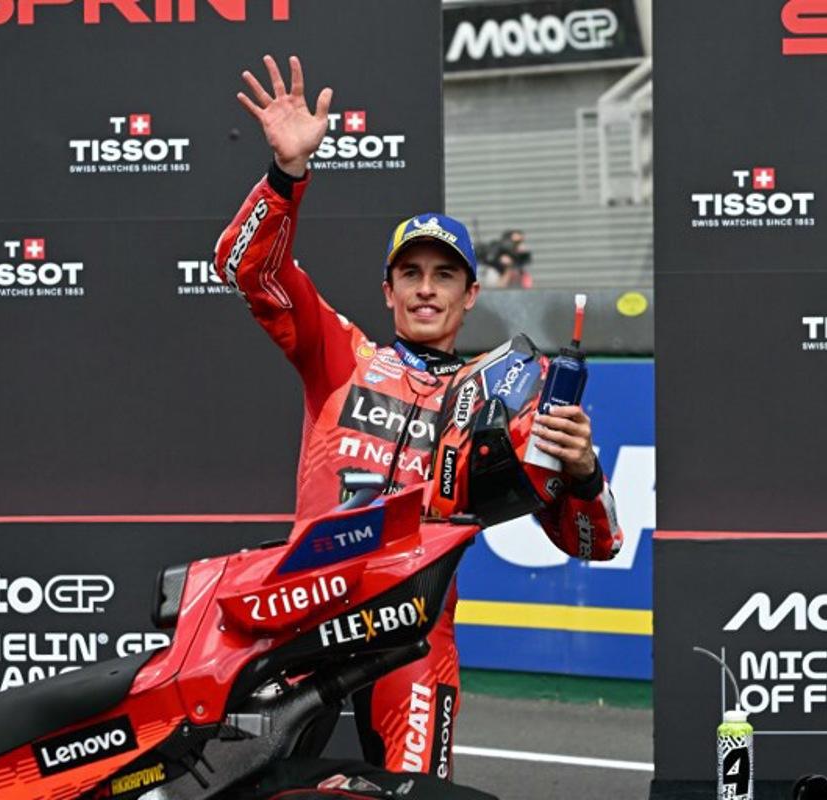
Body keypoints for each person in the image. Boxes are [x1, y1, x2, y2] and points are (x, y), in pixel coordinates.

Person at [214, 55, 623, 780]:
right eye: (412, 273)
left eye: (445, 276)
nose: (427, 290)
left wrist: (584, 472)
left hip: (412, 637)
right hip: (302, 616)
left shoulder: (499, 401)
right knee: (232, 783)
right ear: (389, 289)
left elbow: (591, 542)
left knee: (416, 792)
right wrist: (286, 177)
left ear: (470, 297)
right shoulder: (341, 355)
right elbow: (250, 270)